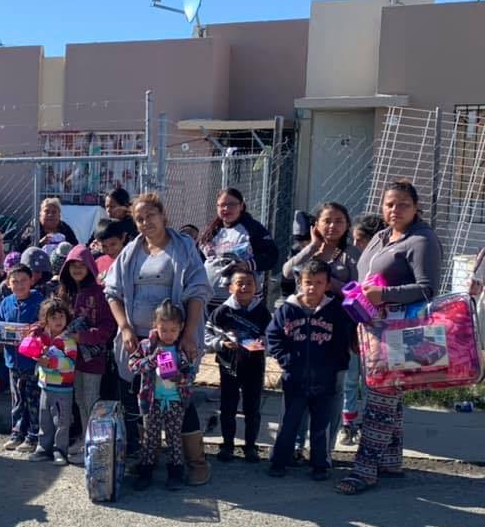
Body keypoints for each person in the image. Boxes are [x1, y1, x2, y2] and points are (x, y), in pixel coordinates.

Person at [337, 179, 443, 495]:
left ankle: (365, 469)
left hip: (400, 334)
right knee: (389, 397)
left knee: (381, 400)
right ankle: (391, 460)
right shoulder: (383, 236)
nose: (394, 210)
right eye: (389, 204)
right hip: (372, 327)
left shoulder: (422, 240)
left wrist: (383, 294)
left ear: (416, 208)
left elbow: (427, 289)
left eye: (402, 204)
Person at [105, 192, 213, 486]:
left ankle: (195, 462)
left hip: (173, 341)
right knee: (146, 401)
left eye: (150, 216)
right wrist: (125, 328)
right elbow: (112, 292)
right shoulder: (131, 252)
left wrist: (189, 333)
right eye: (139, 218)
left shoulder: (183, 247)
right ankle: (148, 459)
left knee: (179, 397)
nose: (145, 222)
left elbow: (197, 291)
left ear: (163, 215)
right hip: (141, 342)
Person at [281, 202, 358, 459]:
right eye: (327, 220)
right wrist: (313, 248)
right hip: (302, 331)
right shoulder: (307, 249)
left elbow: (357, 290)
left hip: (336, 332)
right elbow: (287, 272)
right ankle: (294, 446)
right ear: (317, 224)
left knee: (333, 392)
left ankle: (323, 451)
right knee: (298, 390)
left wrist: (327, 283)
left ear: (347, 224)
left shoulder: (351, 254)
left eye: (338, 220)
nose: (332, 226)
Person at [266, 259, 352, 480]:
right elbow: (273, 336)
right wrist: (286, 359)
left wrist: (335, 366)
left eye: (318, 282)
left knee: (321, 425)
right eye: (308, 282)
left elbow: (342, 341)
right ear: (299, 283)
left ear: (327, 285)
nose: (312, 287)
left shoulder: (334, 311)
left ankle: (320, 464)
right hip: (294, 378)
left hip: (324, 380)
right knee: (288, 423)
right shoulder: (287, 309)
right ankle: (279, 462)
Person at [205, 266, 271, 463]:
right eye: (239, 283)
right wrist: (221, 343)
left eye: (249, 283)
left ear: (256, 287)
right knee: (228, 406)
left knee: (252, 407)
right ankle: (227, 445)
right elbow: (207, 335)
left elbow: (271, 335)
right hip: (229, 365)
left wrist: (262, 343)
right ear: (230, 288)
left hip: (254, 365)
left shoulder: (262, 311)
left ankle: (251, 446)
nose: (244, 287)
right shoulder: (221, 312)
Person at [57, 244, 116, 463]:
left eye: (82, 265)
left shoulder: (100, 294)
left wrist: (85, 337)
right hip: (71, 358)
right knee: (80, 399)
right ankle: (85, 437)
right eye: (73, 266)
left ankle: (94, 444)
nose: (77, 270)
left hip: (93, 358)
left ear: (90, 266)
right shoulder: (66, 293)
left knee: (91, 399)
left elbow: (108, 326)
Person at [127, 301, 193, 490]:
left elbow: (189, 376)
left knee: (174, 438)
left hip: (175, 401)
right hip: (152, 400)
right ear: (155, 327)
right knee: (150, 438)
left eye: (173, 330)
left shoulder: (182, 349)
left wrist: (178, 377)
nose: (168, 334)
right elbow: (132, 365)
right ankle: (145, 473)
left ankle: (175, 474)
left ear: (180, 328)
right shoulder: (147, 346)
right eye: (164, 330)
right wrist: (151, 361)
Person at [0, 264, 45, 452]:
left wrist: (36, 328)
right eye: (15, 281)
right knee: (17, 398)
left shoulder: (40, 301)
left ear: (31, 281)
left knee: (33, 399)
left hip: (33, 361)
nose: (19, 285)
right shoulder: (6, 302)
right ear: (8, 284)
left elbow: (47, 325)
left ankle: (33, 437)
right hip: (12, 360)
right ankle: (17, 433)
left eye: (23, 280)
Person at [340, 213, 385, 445]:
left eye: (360, 239)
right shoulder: (357, 260)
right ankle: (348, 424)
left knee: (371, 380)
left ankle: (369, 424)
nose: (356, 244)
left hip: (378, 328)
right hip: (355, 326)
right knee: (350, 377)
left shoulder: (383, 260)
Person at [199, 188, 278, 310]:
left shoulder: (252, 228)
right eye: (222, 205)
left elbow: (271, 256)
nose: (226, 209)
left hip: (242, 300)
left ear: (241, 206)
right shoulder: (213, 230)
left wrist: (247, 264)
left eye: (231, 204)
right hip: (210, 298)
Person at [27, 298, 78, 465]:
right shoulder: (43, 337)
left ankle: (60, 451)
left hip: (63, 389)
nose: (58, 321)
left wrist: (50, 363)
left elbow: (70, 364)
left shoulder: (68, 341)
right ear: (46, 320)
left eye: (61, 317)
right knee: (45, 420)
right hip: (45, 387)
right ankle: (43, 449)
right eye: (53, 317)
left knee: (61, 422)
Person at [14, 197, 79, 253]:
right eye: (46, 211)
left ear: (59, 215)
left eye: (54, 212)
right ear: (40, 215)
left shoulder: (65, 228)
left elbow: (76, 247)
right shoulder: (33, 228)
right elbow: (21, 250)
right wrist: (39, 244)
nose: (50, 215)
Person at [93, 218, 131, 284]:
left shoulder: (132, 260)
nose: (109, 250)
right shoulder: (97, 263)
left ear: (123, 237)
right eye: (104, 246)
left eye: (113, 244)